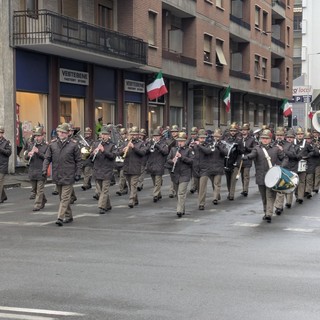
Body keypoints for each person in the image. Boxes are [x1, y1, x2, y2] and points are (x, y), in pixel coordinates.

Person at [42, 123, 82, 226]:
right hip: (57, 174)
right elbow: (47, 158)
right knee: (62, 198)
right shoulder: (52, 144)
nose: (61, 134)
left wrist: (78, 173)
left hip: (69, 175)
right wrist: (44, 169)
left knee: (64, 198)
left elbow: (78, 161)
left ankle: (60, 217)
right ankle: (69, 215)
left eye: (64, 132)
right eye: (60, 132)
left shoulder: (73, 145)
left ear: (68, 134)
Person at [244, 129, 285, 223]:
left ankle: (269, 214)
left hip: (272, 176)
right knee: (264, 197)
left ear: (270, 139)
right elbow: (253, 154)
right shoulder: (257, 148)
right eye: (263, 138)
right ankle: (266, 211)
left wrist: (281, 167)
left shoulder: (276, 148)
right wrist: (247, 157)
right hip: (261, 176)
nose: (264, 140)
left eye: (266, 138)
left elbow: (284, 157)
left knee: (270, 195)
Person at [196, 129, 227, 209]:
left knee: (217, 184)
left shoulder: (223, 144)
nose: (216, 138)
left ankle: (215, 198)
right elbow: (207, 151)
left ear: (220, 137)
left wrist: (219, 147)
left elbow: (225, 153)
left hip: (218, 166)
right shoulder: (209, 143)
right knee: (203, 186)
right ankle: (201, 203)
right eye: (215, 136)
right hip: (209, 167)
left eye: (218, 136)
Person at [166, 132, 194, 218]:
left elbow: (191, 161)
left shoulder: (189, 150)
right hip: (175, 174)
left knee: (181, 193)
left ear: (185, 141)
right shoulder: (173, 149)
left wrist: (182, 157)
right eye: (179, 141)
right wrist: (172, 160)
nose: (180, 143)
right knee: (178, 193)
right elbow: (168, 159)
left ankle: (179, 210)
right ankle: (182, 208)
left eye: (182, 141)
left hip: (185, 174)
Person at [91, 126, 116, 214]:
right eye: (102, 134)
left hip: (107, 170)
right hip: (97, 169)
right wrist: (93, 153)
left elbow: (113, 156)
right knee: (101, 190)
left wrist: (103, 150)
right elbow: (91, 158)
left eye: (105, 134)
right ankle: (108, 205)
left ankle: (101, 206)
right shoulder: (96, 144)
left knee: (105, 190)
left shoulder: (112, 145)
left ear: (109, 135)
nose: (103, 136)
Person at [120, 126, 147, 208]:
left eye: (135, 134)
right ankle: (135, 199)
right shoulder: (125, 143)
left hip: (136, 167)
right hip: (127, 166)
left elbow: (142, 153)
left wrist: (134, 147)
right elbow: (119, 153)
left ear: (138, 135)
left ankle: (131, 199)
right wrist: (122, 151)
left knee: (133, 184)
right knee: (130, 185)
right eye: (132, 134)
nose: (133, 136)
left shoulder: (141, 143)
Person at [24, 126, 48, 211]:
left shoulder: (46, 146)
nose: (37, 137)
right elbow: (25, 157)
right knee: (35, 189)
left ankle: (37, 204)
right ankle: (43, 200)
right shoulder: (31, 145)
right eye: (36, 136)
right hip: (32, 170)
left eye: (38, 136)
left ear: (42, 136)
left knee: (39, 189)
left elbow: (47, 158)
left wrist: (38, 152)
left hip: (41, 170)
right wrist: (28, 155)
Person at [146, 128, 169, 202]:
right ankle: (158, 194)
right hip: (151, 164)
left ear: (160, 136)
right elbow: (145, 152)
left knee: (157, 181)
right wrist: (149, 145)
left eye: (157, 136)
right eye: (154, 136)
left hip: (159, 164)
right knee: (154, 181)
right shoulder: (151, 143)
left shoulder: (163, 143)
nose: (156, 137)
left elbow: (165, 152)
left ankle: (155, 195)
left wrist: (158, 146)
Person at [0, 126, 12, 203]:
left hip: (3, 165)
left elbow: (9, 153)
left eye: (1, 133)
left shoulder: (6, 142)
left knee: (0, 181)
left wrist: (0, 149)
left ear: (3, 133)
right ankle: (3, 196)